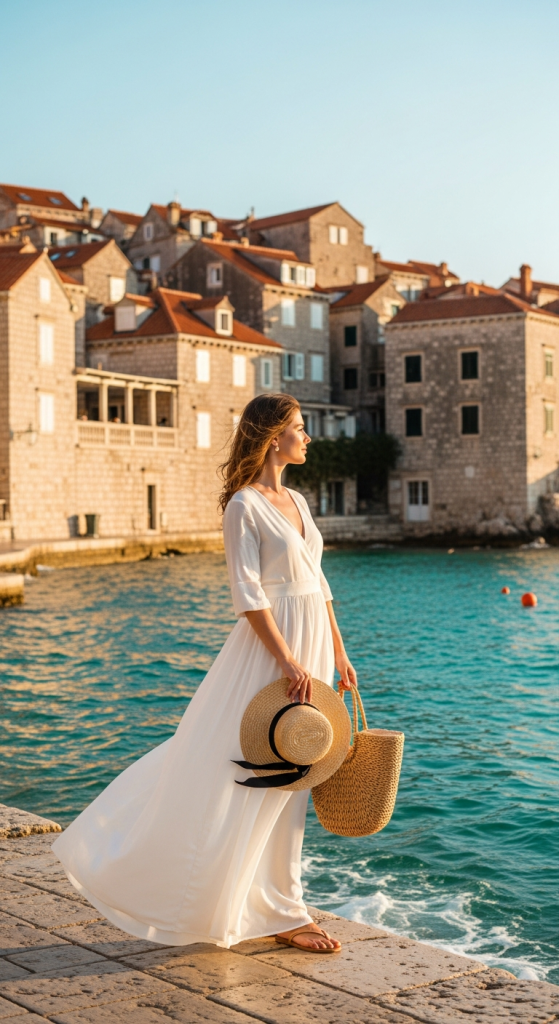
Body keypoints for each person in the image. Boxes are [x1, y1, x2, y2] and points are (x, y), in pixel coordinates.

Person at [52, 393, 357, 953]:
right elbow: (249, 595)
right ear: (273, 439)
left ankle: (282, 905)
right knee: (236, 763)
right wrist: (288, 659)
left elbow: (320, 582)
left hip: (312, 642)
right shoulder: (244, 505)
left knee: (297, 774)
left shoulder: (297, 500)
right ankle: (224, 893)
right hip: (273, 648)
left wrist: (338, 652)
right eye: (298, 428)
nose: (307, 436)